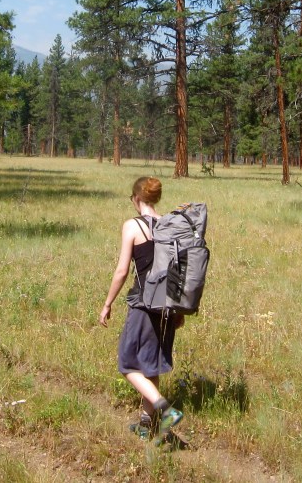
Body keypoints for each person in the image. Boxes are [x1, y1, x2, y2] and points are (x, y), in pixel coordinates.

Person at [98, 176, 184, 440]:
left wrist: (107, 303)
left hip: (144, 305)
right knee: (151, 366)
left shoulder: (132, 226)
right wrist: (180, 313)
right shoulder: (170, 226)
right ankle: (148, 426)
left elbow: (123, 270)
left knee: (127, 364)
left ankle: (166, 409)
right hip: (168, 307)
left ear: (137, 199)